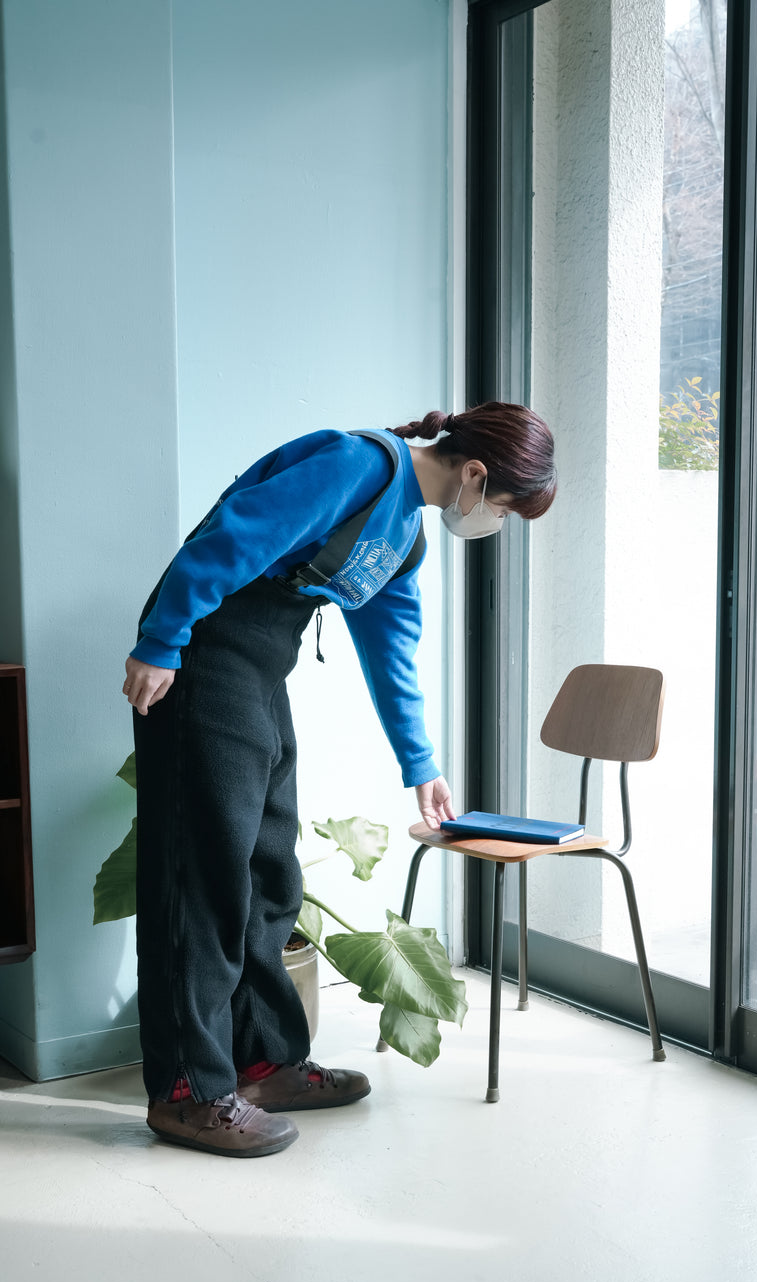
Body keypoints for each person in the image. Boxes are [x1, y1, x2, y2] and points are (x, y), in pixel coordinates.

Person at [123, 402, 556, 1157]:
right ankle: (189, 1091)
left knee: (268, 872)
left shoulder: (405, 537)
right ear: (477, 474)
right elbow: (231, 540)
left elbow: (393, 649)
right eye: (506, 510)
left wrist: (421, 765)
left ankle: (263, 1063)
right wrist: (161, 641)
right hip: (200, 654)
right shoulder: (357, 466)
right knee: (204, 879)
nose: (495, 522)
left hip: (258, 674)